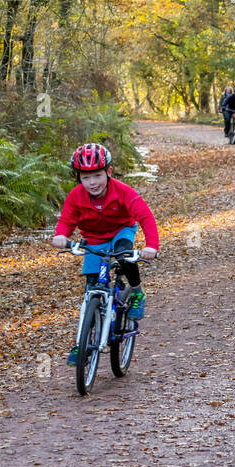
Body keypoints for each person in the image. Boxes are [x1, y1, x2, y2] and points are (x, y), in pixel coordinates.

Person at [52, 143, 158, 366]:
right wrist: (61, 235)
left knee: (123, 255)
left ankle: (137, 292)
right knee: (91, 288)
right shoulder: (75, 196)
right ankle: (83, 342)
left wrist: (151, 246)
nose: (92, 183)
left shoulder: (123, 191)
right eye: (86, 177)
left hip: (121, 231)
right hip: (94, 239)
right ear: (78, 178)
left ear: (108, 172)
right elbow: (66, 220)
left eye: (98, 175)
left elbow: (145, 217)